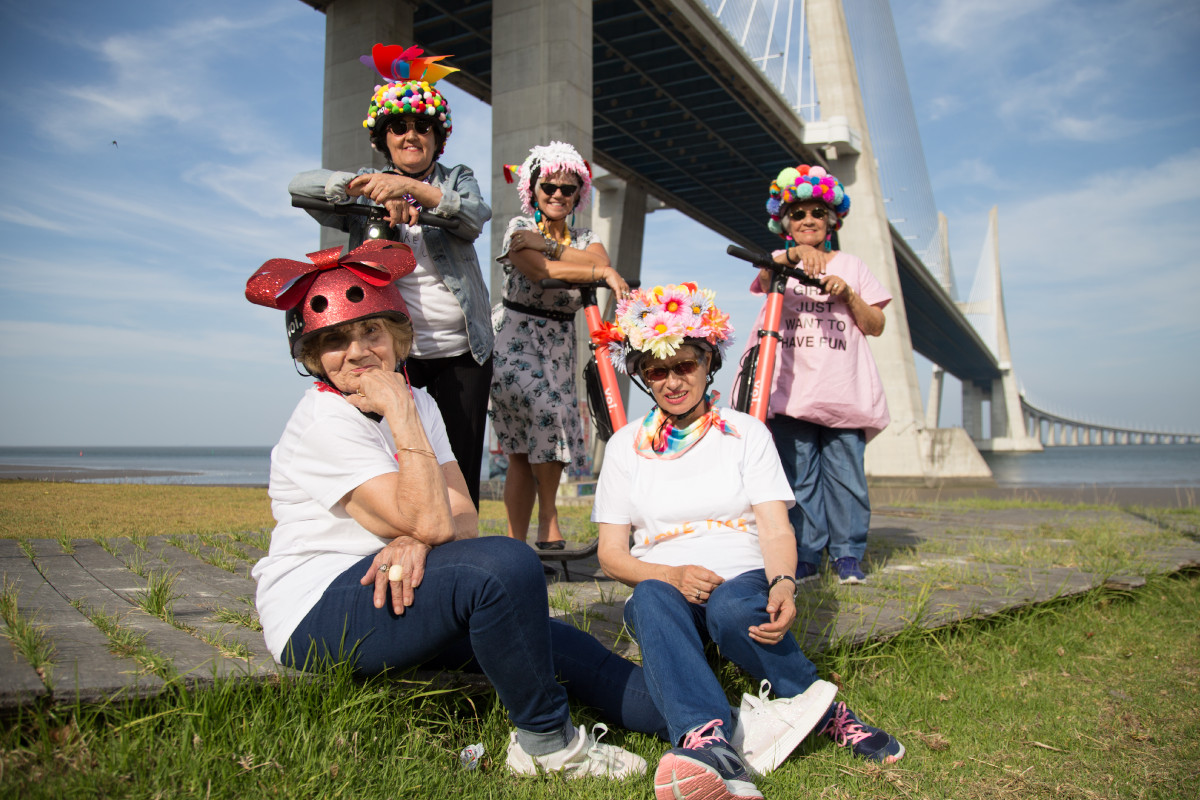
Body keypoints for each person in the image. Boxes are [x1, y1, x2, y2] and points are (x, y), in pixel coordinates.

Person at [244, 241, 666, 779]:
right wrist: (400, 425)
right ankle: (545, 745)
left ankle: (707, 724)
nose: (357, 352)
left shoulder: (419, 400)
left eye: (371, 330)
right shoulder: (327, 421)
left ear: (399, 336)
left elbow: (460, 517)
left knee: (565, 644)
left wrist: (417, 535)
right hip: (318, 611)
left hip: (404, 586)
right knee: (507, 564)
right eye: (334, 340)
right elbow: (435, 520)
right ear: (312, 357)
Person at [592, 284, 903, 800]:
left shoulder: (745, 432)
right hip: (663, 584)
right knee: (649, 598)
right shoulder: (626, 447)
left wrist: (784, 582)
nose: (672, 381)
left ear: (708, 361)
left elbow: (777, 527)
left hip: (740, 575)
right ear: (644, 378)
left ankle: (822, 709)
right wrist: (670, 574)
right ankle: (707, 739)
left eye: (685, 365)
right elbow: (611, 555)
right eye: (657, 371)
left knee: (735, 610)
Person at [289, 43, 492, 508]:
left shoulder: (457, 177)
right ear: (384, 137)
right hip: (395, 351)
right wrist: (361, 190)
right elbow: (299, 188)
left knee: (460, 462)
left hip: (464, 351)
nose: (411, 135)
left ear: (437, 137)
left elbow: (475, 216)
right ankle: (403, 544)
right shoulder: (369, 183)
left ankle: (462, 555)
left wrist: (414, 190)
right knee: (398, 455)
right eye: (398, 126)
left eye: (423, 126)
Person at [739, 165, 891, 585]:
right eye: (799, 213)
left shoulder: (853, 265)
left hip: (844, 392)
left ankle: (847, 555)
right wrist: (792, 258)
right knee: (796, 477)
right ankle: (805, 554)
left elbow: (876, 324)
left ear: (832, 221)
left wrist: (849, 294)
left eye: (817, 214)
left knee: (848, 480)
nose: (808, 220)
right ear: (784, 221)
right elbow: (765, 277)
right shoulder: (777, 261)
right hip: (791, 392)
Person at [490, 142, 629, 547]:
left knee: (537, 439)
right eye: (548, 185)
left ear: (577, 196)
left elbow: (601, 264)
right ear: (532, 188)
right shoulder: (518, 226)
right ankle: (536, 534)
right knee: (532, 429)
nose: (556, 194)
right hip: (515, 335)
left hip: (560, 342)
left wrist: (560, 252)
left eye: (567, 189)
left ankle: (537, 531)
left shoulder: (588, 235)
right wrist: (578, 263)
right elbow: (537, 270)